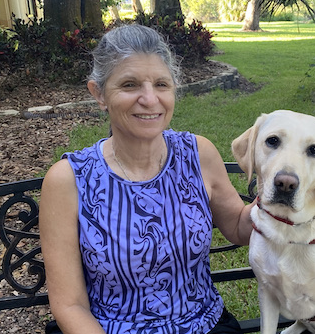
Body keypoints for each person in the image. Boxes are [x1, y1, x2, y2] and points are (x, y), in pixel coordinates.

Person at [39, 24, 254, 334]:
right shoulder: (69, 181)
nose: (150, 99)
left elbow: (237, 226)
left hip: (204, 325)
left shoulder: (198, 154)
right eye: (130, 85)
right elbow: (69, 305)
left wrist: (284, 198)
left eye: (161, 84)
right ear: (99, 94)